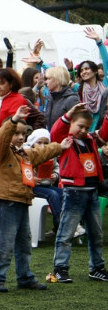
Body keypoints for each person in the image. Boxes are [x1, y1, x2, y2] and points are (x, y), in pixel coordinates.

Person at [0, 105, 68, 292]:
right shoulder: (1, 150)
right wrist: (14, 120)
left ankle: (24, 277)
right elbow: (1, 138)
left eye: (23, 134)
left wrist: (59, 147)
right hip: (8, 200)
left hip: (22, 199)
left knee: (24, 243)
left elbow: (40, 153)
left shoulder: (23, 153)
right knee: (5, 243)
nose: (21, 137)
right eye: (16, 133)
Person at [48, 102, 108, 283]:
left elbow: (104, 135)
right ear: (71, 123)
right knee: (66, 233)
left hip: (91, 192)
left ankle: (97, 268)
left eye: (86, 127)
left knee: (96, 234)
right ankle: (60, 268)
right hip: (73, 191)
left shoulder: (89, 139)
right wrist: (68, 115)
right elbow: (55, 132)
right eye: (79, 126)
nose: (83, 130)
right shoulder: (65, 140)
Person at [43, 66, 78, 131]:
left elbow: (77, 124)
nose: (46, 82)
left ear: (57, 79)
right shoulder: (51, 98)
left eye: (48, 79)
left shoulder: (72, 99)